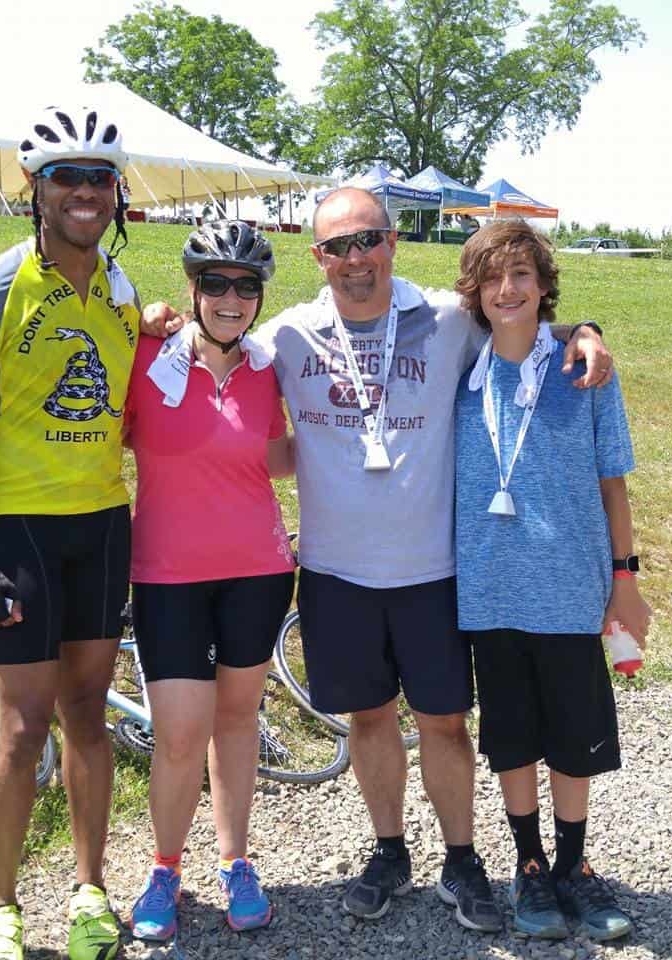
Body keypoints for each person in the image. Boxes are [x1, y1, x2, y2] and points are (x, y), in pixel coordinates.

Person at [146, 186, 612, 932]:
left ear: (393, 243)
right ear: (317, 258)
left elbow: (521, 320)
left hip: (431, 569)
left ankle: (461, 859)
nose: (355, 259)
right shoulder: (289, 337)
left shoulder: (449, 320)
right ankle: (388, 849)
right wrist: (157, 320)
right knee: (367, 721)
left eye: (368, 241)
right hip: (336, 572)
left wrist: (582, 330)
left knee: (444, 723)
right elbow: (216, 358)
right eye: (337, 247)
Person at [0, 104, 139, 960]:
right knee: (21, 726)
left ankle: (91, 892)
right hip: (19, 528)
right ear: (35, 188)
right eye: (67, 178)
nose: (85, 193)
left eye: (99, 178)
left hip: (101, 525)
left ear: (116, 192)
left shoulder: (124, 293)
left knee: (88, 714)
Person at [453, 220, 652, 940]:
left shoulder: (584, 370)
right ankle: (530, 866)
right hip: (488, 591)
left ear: (543, 286)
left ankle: (573, 865)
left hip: (569, 590)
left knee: (573, 740)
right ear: (472, 292)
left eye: (521, 276)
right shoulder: (459, 374)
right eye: (491, 278)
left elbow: (612, 486)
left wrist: (624, 579)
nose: (506, 290)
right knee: (511, 740)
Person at [124, 221, 295, 942]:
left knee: (235, 723)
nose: (231, 298)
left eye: (246, 286)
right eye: (216, 283)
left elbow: (277, 457)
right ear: (192, 289)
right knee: (178, 735)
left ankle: (234, 860)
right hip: (166, 576)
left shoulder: (269, 368)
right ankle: (165, 867)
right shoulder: (145, 355)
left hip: (257, 571)